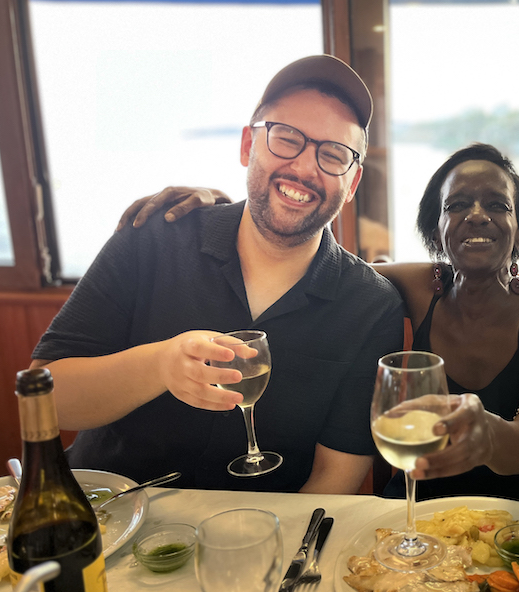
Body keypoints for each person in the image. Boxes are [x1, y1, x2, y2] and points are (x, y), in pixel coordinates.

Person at [119, 143, 519, 509]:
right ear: (436, 227)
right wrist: (224, 214)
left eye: (498, 205)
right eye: (456, 205)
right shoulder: (422, 286)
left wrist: (486, 432)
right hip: (411, 514)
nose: (476, 216)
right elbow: (323, 265)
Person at [30, 55, 405, 494]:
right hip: (110, 512)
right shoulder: (154, 236)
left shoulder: (369, 306)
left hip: (264, 526)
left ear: (353, 182)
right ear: (248, 145)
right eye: (286, 138)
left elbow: (334, 477)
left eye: (333, 155)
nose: (305, 169)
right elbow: (46, 402)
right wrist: (159, 366)